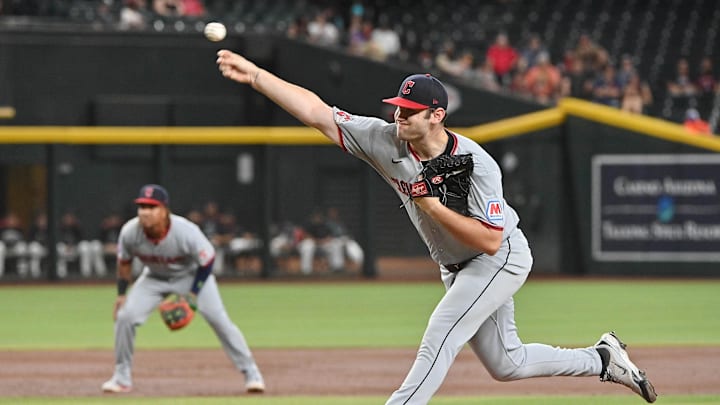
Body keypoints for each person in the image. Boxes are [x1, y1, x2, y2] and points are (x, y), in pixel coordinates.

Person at [216, 49, 658, 404]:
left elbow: (489, 241)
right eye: (397, 108)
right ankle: (602, 359)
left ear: (436, 115)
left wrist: (429, 205)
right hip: (457, 268)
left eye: (410, 111)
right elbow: (317, 112)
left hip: (500, 259)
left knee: (440, 335)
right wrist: (257, 75)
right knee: (507, 363)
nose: (398, 116)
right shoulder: (385, 140)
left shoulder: (476, 163)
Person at [101, 184, 265, 394]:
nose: (145, 212)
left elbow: (207, 260)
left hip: (191, 275)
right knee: (125, 317)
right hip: (154, 277)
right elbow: (124, 262)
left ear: (164, 210)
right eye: (142, 206)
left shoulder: (185, 231)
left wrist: (193, 294)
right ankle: (121, 378)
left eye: (151, 207)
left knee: (219, 320)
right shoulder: (130, 232)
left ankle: (251, 372)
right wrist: (121, 294)